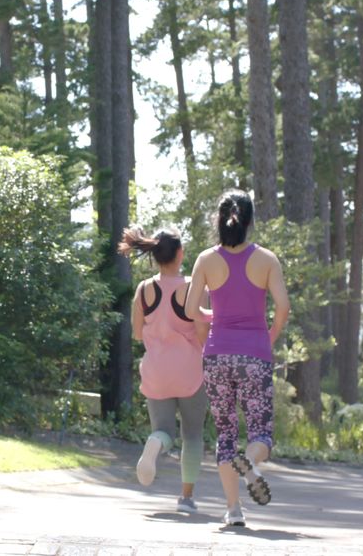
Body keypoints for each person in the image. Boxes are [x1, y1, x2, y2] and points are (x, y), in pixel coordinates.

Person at [184, 191, 289, 527]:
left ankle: (233, 510)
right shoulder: (267, 260)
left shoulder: (205, 260)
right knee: (261, 432)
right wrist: (267, 337)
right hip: (255, 353)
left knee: (225, 431)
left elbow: (190, 311)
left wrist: (217, 316)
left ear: (220, 219)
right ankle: (251, 463)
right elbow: (283, 308)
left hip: (216, 355)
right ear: (249, 221)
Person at [119, 226, 210, 514]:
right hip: (190, 373)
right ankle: (186, 498)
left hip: (156, 372)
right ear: (181, 254)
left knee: (163, 431)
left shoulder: (143, 289)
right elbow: (203, 335)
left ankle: (154, 444)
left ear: (155, 255)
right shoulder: (196, 289)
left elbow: (136, 333)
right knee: (192, 435)